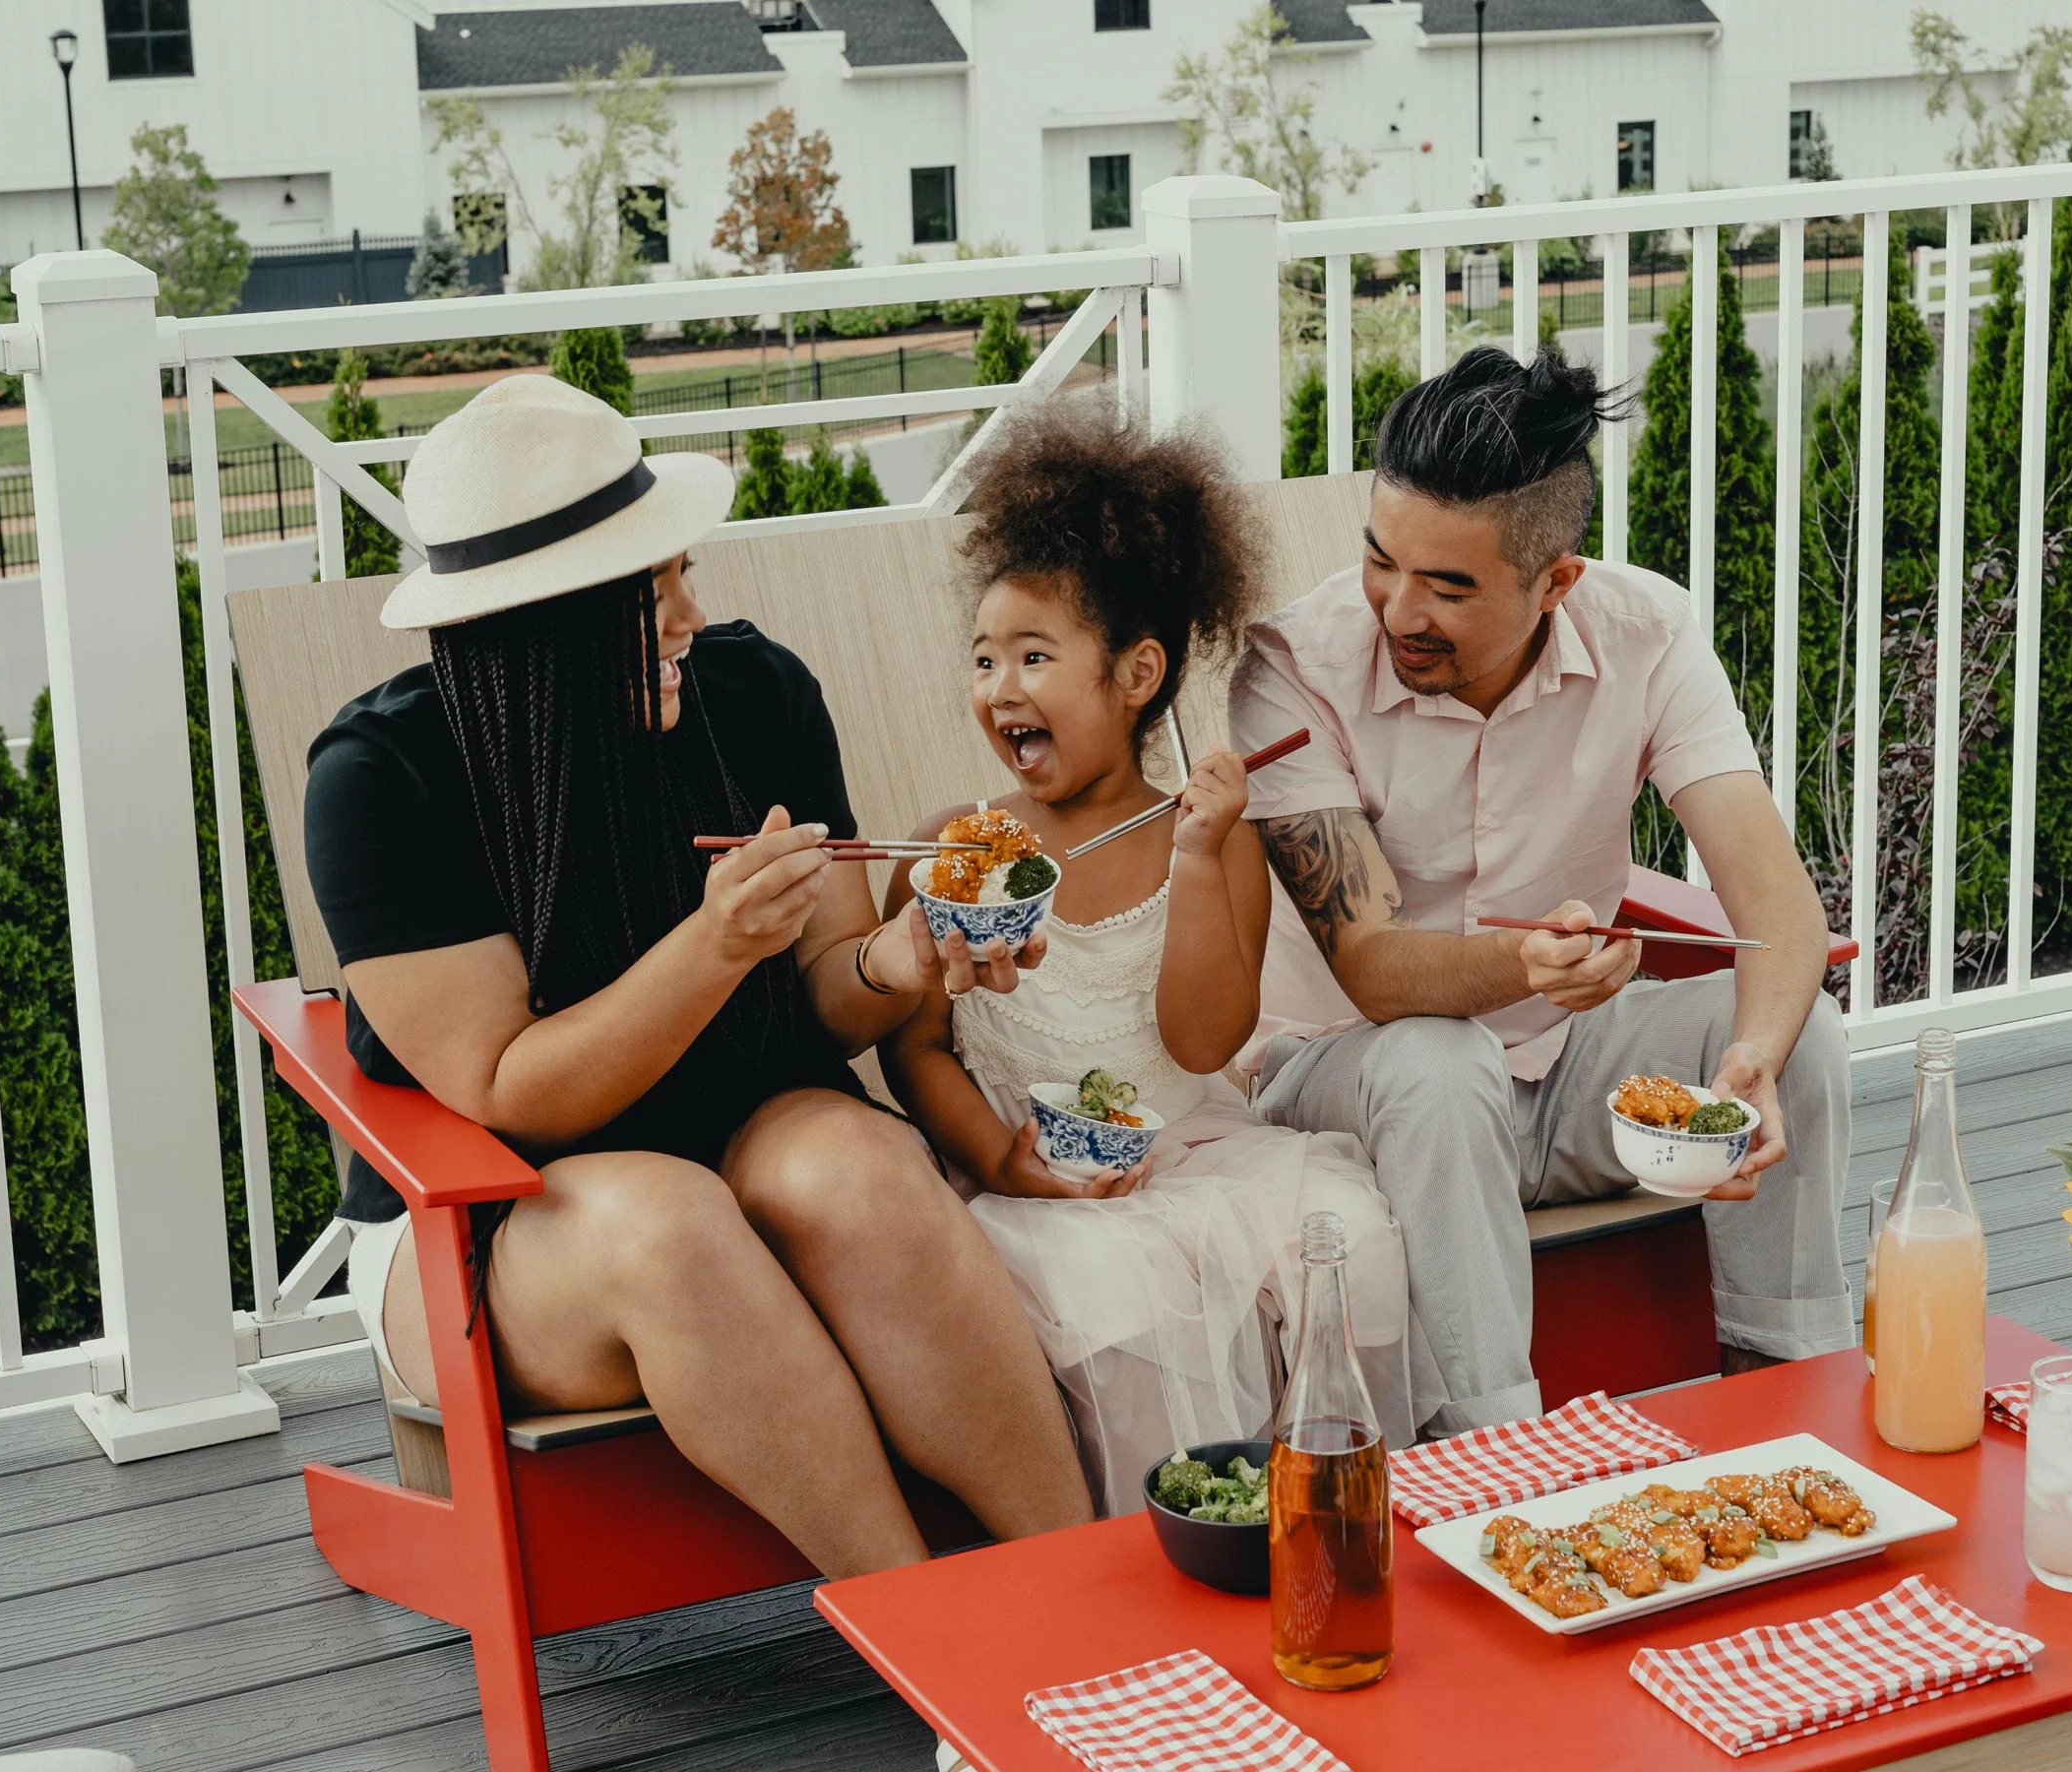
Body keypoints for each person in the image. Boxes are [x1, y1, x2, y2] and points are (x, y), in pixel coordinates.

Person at [304, 375, 1093, 1577]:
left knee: (855, 1165)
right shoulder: (384, 780)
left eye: (682, 571)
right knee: (668, 1225)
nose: (689, 613)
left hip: (747, 1146)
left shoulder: (751, 693)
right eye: (654, 586)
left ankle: (1084, 1593)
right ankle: (923, 1632)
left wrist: (898, 957)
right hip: (499, 1224)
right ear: (547, 620)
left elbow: (828, 989)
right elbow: (512, 1087)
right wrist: (713, 945)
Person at [1229, 347, 1854, 1438]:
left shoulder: (1646, 633)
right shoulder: (1290, 667)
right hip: (1342, 1089)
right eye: (1383, 562)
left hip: (1562, 1075)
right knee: (1438, 1058)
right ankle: (1492, 1454)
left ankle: (1785, 1399)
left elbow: (1780, 910)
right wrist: (1527, 965)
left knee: (1803, 1036)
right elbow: (1373, 968)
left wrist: (1747, 1061)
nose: (1396, 608)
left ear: (1556, 582)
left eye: (1450, 587)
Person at [878, 405, 1415, 1515]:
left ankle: (1337, 1520)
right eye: (984, 660)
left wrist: (1202, 849)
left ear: (1135, 676)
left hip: (1196, 1149)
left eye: (1035, 656)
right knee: (1126, 1299)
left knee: (1349, 1246)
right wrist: (1003, 1158)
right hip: (1031, 1185)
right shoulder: (953, 854)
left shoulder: (1213, 841)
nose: (1000, 688)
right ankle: (1157, 1566)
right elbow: (919, 1048)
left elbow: (1204, 1041)